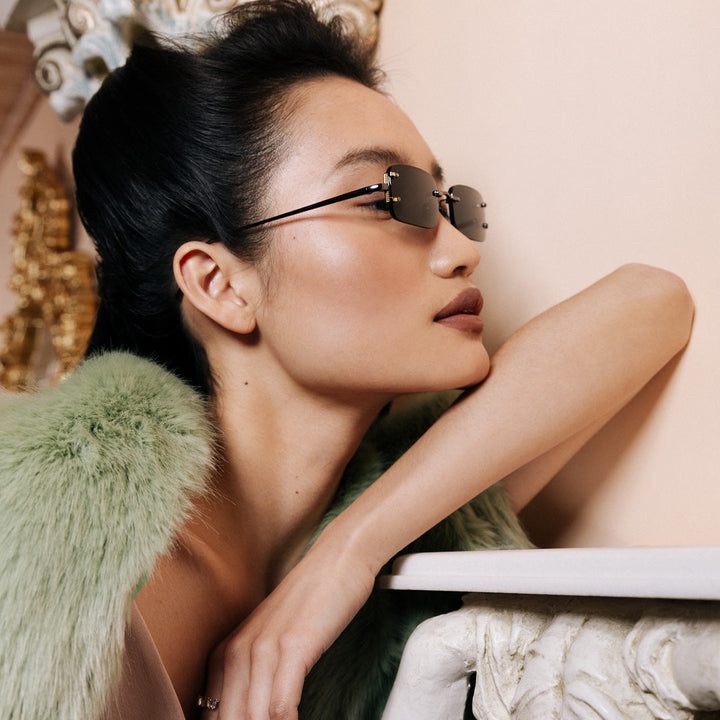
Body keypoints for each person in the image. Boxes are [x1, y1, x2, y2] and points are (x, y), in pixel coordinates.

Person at [0, 1, 694, 719]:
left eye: (450, 205)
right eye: (388, 199)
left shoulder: (409, 513)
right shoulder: (42, 547)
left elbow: (651, 303)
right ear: (221, 285)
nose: (463, 250)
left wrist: (348, 553)